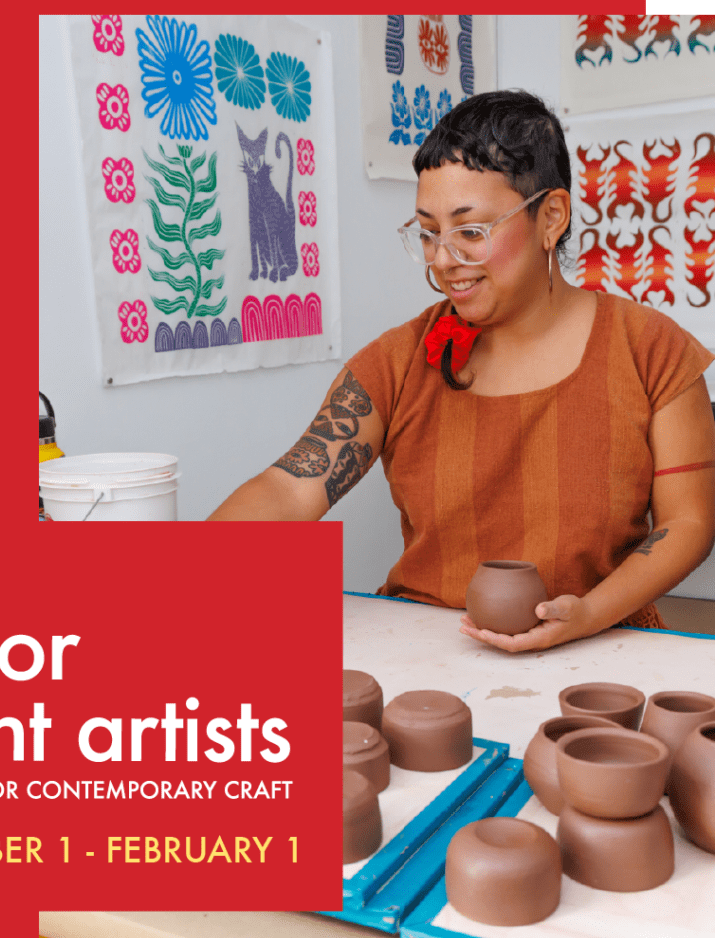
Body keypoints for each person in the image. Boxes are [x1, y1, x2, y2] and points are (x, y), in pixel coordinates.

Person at [209, 90, 715, 653]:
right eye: (428, 232)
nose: (443, 258)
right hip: (432, 649)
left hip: (603, 645)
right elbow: (288, 490)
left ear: (551, 217)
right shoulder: (397, 361)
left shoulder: (651, 349)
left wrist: (589, 613)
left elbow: (688, 522)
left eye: (470, 231)